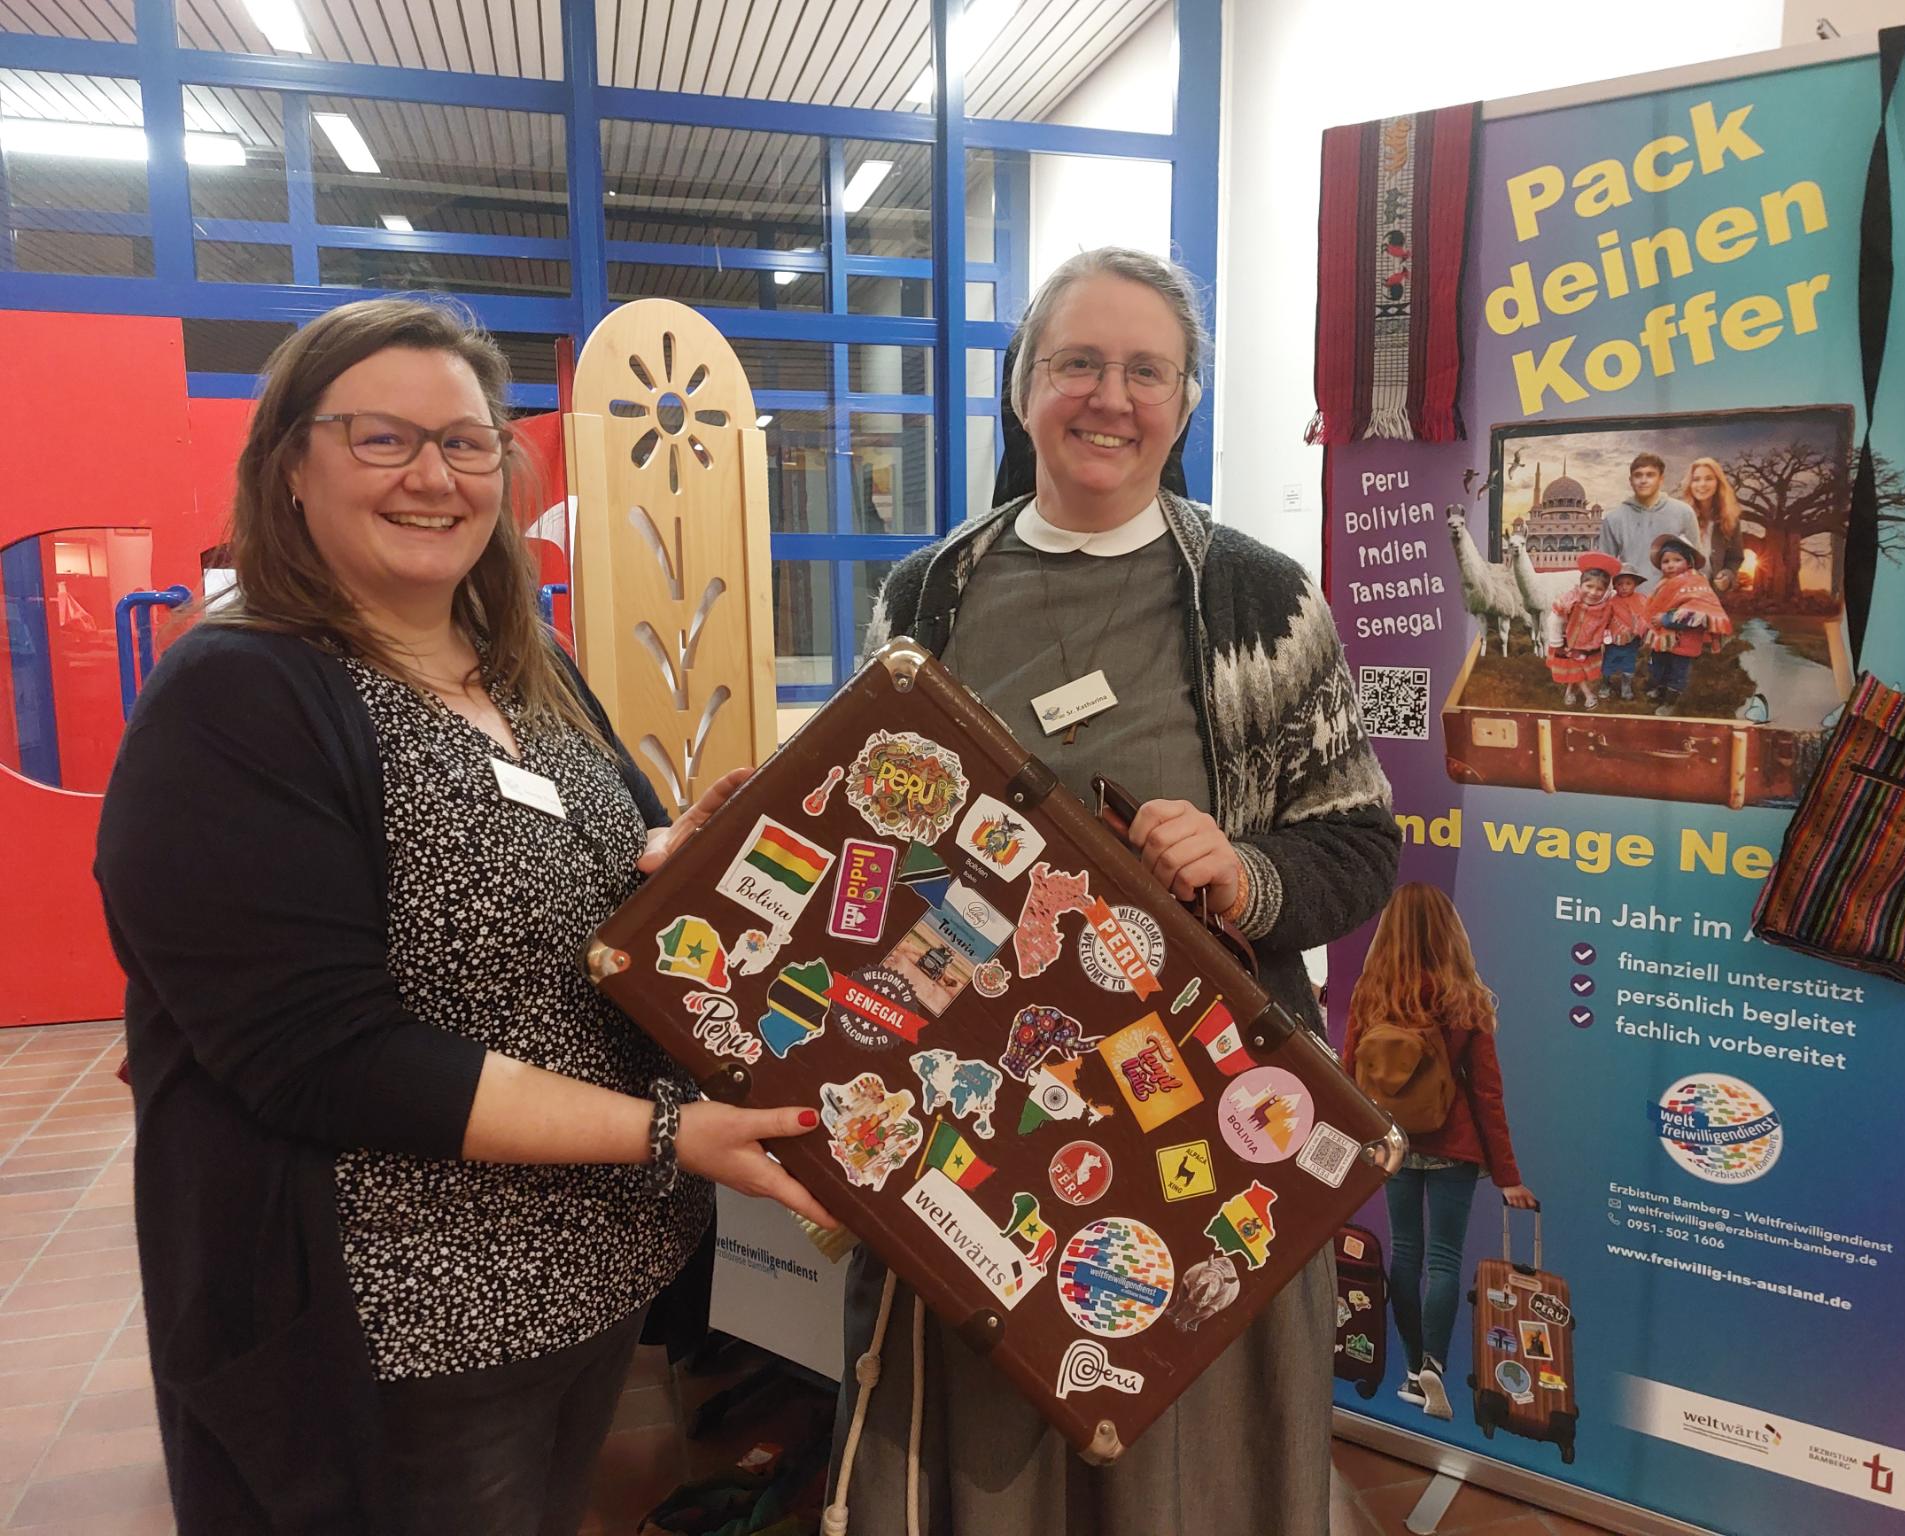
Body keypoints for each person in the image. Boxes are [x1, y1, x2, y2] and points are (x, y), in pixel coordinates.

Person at [94, 298, 833, 1536]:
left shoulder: (523, 665)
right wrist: (667, 1136)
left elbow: (598, 884)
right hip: (405, 1321)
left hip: (586, 1277)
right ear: (289, 468)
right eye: (382, 439)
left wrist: (673, 857)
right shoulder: (239, 697)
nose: (434, 475)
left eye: (467, 441)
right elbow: (322, 1057)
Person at [830, 247, 1402, 1535]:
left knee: (1197, 1481)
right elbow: (867, 844)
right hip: (970, 1122)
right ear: (1023, 389)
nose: (1110, 396)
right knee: (982, 1464)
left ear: (1185, 403)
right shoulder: (923, 597)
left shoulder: (1260, 599)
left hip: (1206, 1128)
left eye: (1146, 370)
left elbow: (1360, 844)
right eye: (1078, 363)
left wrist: (1243, 875)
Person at [1340, 885, 1534, 1422]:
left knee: (1407, 1254)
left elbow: (1347, 1073)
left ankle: (1408, 1372)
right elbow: (1487, 1094)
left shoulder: (1372, 992)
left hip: (1393, 1145)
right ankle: (1433, 1366)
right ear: (1450, 931)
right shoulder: (1466, 997)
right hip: (1455, 1148)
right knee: (1444, 1262)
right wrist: (1507, 1177)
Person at [1642, 533, 1731, 715]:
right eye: (1666, 561)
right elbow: (1655, 605)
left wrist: (1665, 619)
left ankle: (1670, 702)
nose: (1671, 564)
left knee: (1678, 671)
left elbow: (1695, 613)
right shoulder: (1663, 584)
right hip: (1663, 638)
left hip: (1684, 639)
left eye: (1677, 559)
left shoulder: (1696, 583)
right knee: (1658, 665)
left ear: (1688, 562)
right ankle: (1660, 688)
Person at [1596, 452, 1694, 578]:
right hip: (1631, 594)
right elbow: (1604, 568)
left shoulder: (1684, 512)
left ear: (1661, 479)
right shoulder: (1614, 519)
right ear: (1630, 481)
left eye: (1650, 475)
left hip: (1675, 595)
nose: (1643, 480)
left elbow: (1697, 564)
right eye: (1638, 475)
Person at [1545, 550, 1619, 711]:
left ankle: (1569, 691)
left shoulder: (1608, 602)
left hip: (1590, 642)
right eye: (1589, 586)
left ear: (1606, 590)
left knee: (1577, 670)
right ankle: (1589, 695)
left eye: (1599, 589)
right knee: (1576, 668)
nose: (1593, 593)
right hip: (1568, 641)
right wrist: (1557, 641)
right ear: (1581, 585)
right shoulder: (1570, 600)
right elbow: (1554, 620)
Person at [1680, 456, 1745, 593]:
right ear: (1690, 485)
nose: (1702, 484)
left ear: (1718, 483)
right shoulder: (1679, 516)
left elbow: (1735, 558)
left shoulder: (1731, 519)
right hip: (1681, 594)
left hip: (1712, 596)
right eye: (1696, 479)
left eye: (1709, 478)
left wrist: (1727, 575)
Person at [1599, 564, 1648, 702]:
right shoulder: (1611, 602)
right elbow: (1604, 619)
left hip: (1632, 640)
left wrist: (1640, 630)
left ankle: (1626, 686)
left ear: (1635, 584)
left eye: (1628, 583)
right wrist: (1603, 634)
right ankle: (1605, 684)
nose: (1624, 587)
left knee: (1628, 664)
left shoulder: (1641, 599)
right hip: (1613, 640)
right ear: (1614, 586)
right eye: (1620, 584)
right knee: (1609, 662)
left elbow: (1645, 617)